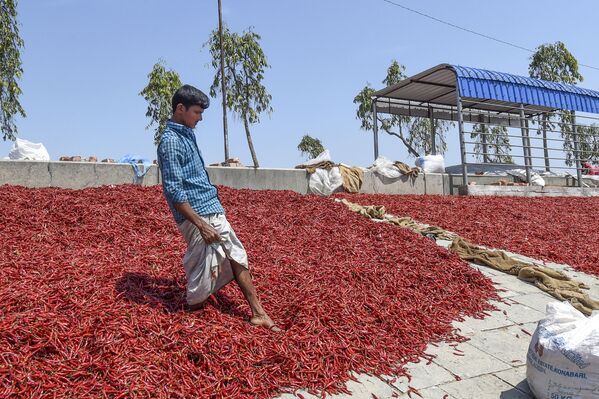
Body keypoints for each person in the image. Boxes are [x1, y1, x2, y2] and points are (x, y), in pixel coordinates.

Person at [157, 84, 278, 331]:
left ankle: (258, 312)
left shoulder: (186, 133)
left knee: (235, 254)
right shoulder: (170, 142)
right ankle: (193, 315)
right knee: (208, 267)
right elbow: (174, 191)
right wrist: (201, 225)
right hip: (198, 213)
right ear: (180, 109)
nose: (200, 118)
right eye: (197, 113)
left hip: (209, 206)